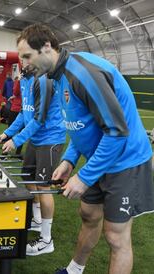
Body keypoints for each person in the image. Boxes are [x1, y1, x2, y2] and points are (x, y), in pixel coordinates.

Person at [17, 23, 153, 274]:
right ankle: (74, 270)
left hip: (126, 161)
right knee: (89, 215)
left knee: (115, 236)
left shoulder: (82, 73)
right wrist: (69, 161)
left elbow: (116, 131)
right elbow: (79, 125)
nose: (24, 64)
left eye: (27, 56)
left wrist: (85, 177)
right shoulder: (56, 76)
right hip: (100, 157)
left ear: (46, 47)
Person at [0, 69, 66, 256]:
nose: (22, 62)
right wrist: (9, 132)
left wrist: (17, 140)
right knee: (29, 180)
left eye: (26, 56)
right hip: (35, 139)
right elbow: (24, 113)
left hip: (50, 138)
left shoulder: (44, 81)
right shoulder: (25, 80)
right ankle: (36, 220)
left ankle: (46, 239)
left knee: (43, 187)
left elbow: (38, 120)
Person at [7, 75, 23, 155]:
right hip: (21, 108)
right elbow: (16, 93)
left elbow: (16, 92)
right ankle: (17, 152)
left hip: (17, 108)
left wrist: (19, 81)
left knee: (11, 130)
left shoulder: (20, 82)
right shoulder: (29, 82)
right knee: (21, 131)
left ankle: (7, 150)